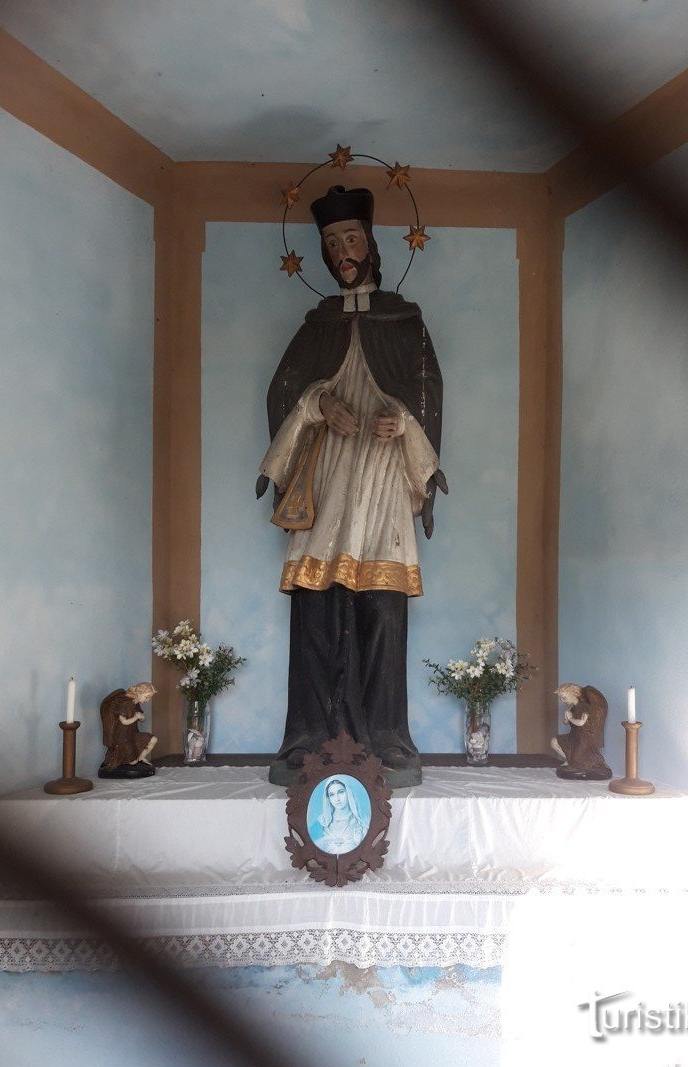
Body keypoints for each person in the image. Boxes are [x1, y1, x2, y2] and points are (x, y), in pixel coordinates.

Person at [257, 184, 446, 787]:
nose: (343, 251)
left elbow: (427, 390)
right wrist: (318, 404)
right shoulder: (317, 326)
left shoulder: (405, 320)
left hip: (385, 477)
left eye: (352, 238)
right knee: (316, 606)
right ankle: (310, 735)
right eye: (333, 243)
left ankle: (386, 737)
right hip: (329, 478)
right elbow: (284, 389)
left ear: (371, 244)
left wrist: (404, 420)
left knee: (383, 609)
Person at [551, 683, 612, 781]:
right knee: (554, 742)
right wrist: (566, 718)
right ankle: (569, 760)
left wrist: (570, 718)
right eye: (561, 698)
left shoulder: (584, 707)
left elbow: (581, 723)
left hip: (585, 737)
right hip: (574, 735)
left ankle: (597, 762)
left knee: (578, 761)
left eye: (564, 698)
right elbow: (566, 722)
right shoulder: (572, 708)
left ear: (574, 694)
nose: (562, 701)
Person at [99, 682, 158, 778]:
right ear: (139, 693)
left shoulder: (136, 703)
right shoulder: (124, 703)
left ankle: (141, 758)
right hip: (122, 737)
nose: (147, 700)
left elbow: (141, 718)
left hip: (132, 733)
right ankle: (129, 759)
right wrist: (136, 717)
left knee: (153, 739)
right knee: (132, 762)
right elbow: (124, 722)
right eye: (147, 697)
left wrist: (142, 718)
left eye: (149, 698)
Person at [311, 777, 369, 855]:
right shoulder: (322, 822)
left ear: (349, 792)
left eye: (341, 792)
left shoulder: (361, 822)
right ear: (328, 798)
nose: (337, 799)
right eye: (332, 795)